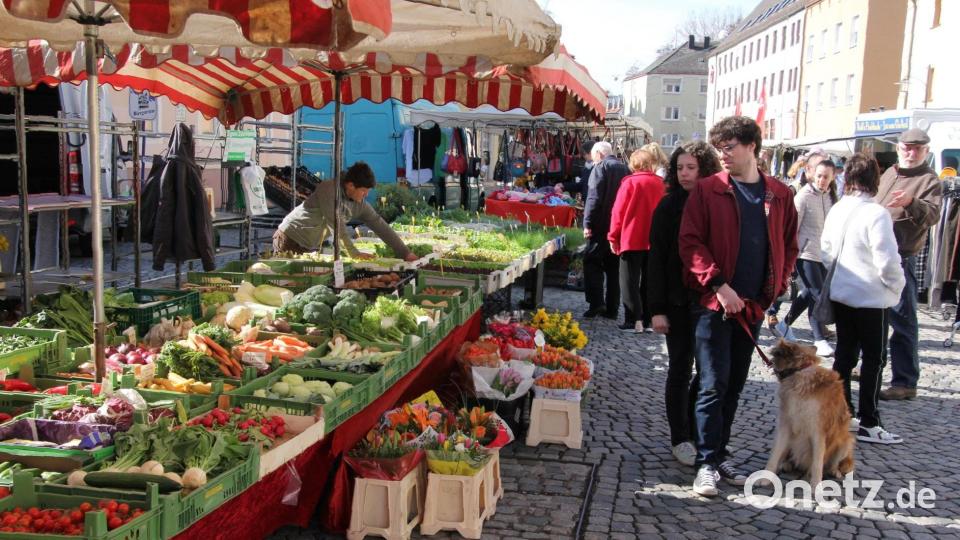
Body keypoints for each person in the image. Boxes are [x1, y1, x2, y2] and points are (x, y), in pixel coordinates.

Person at [679, 116, 798, 496]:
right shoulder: (708, 190)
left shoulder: (779, 194)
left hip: (752, 307)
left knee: (733, 385)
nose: (724, 155)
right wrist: (717, 284)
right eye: (719, 149)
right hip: (713, 304)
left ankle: (719, 452)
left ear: (752, 148)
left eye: (729, 147)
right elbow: (691, 243)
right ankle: (705, 462)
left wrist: (776, 287)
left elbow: (790, 244)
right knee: (712, 384)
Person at [648, 141, 722, 466]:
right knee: (680, 367)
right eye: (680, 168)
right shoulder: (667, 207)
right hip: (675, 301)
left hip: (707, 299)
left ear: (705, 169)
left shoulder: (716, 204)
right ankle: (680, 436)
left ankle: (696, 428)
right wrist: (656, 308)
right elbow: (656, 260)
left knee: (706, 373)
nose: (685, 174)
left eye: (691, 168)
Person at [824, 154, 905, 444]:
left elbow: (826, 251)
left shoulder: (838, 209)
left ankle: (846, 414)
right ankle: (869, 420)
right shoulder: (876, 213)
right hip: (871, 297)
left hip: (843, 292)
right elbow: (887, 259)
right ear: (875, 178)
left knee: (845, 355)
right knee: (874, 358)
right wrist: (896, 288)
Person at [876, 128, 942, 401]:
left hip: (900, 257)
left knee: (903, 321)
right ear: (899, 148)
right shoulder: (890, 172)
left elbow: (933, 215)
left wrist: (911, 202)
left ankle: (905, 380)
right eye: (907, 147)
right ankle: (870, 364)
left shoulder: (929, 180)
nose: (911, 152)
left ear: (925, 151)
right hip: (875, 255)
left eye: (917, 148)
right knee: (872, 316)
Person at [274, 161, 420, 262]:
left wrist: (405, 253)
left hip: (309, 244)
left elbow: (381, 226)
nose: (366, 195)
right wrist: (354, 253)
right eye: (363, 191)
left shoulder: (360, 204)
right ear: (350, 185)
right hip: (289, 238)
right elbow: (337, 226)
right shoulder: (328, 189)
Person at [775, 159, 838, 357]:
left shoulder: (832, 197)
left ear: (833, 177)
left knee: (808, 294)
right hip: (805, 253)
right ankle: (819, 338)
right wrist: (790, 257)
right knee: (817, 294)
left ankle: (785, 323)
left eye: (826, 177)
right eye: (819, 176)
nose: (822, 180)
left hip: (824, 254)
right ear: (812, 175)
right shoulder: (803, 197)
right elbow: (791, 227)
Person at [608, 149, 665, 332]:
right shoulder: (661, 184)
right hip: (655, 240)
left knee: (628, 281)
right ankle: (648, 319)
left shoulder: (629, 183)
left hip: (631, 238)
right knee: (649, 280)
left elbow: (618, 212)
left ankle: (633, 320)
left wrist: (613, 235)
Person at [582, 141, 630, 318]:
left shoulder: (601, 167)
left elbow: (593, 197)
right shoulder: (625, 169)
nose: (593, 160)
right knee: (613, 267)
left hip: (601, 225)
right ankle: (612, 308)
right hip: (619, 226)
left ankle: (596, 303)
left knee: (592, 261)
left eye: (594, 157)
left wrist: (587, 222)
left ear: (599, 154)